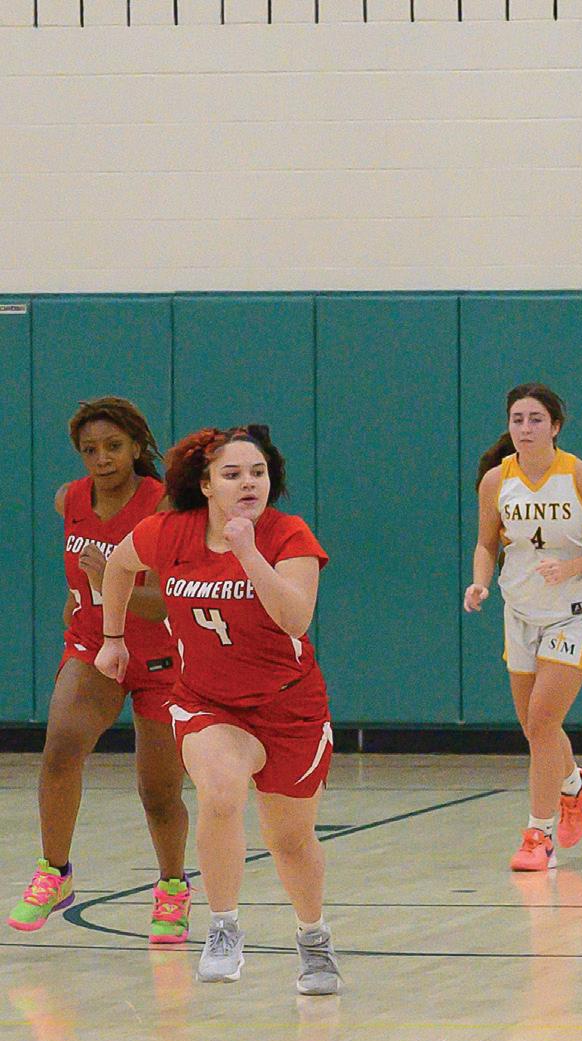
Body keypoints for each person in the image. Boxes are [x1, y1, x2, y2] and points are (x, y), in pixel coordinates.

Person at [96, 425, 340, 993]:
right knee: (222, 791)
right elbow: (118, 565)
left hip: (289, 707)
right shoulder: (168, 532)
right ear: (205, 485)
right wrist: (113, 638)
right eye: (232, 474)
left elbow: (295, 618)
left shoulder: (288, 535)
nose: (248, 483)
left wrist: (248, 551)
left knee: (290, 841)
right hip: (207, 702)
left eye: (258, 472)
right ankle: (223, 926)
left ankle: (313, 939)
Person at [8, 397, 190, 943]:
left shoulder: (163, 505)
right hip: (93, 646)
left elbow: (166, 603)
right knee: (60, 748)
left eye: (113, 446)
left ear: (136, 447)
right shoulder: (70, 499)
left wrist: (112, 579)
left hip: (158, 656)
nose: (102, 458)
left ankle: (172, 888)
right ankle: (54, 871)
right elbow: (76, 573)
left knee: (159, 792)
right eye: (90, 450)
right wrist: (78, 598)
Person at [466, 383, 582, 872]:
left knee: (541, 722)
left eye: (536, 419)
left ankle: (538, 835)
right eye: (517, 419)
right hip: (520, 609)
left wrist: (573, 566)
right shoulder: (496, 481)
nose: (525, 428)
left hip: (574, 610)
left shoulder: (581, 476)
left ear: (555, 426)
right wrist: (480, 583)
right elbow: (486, 544)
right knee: (534, 727)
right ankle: (575, 785)